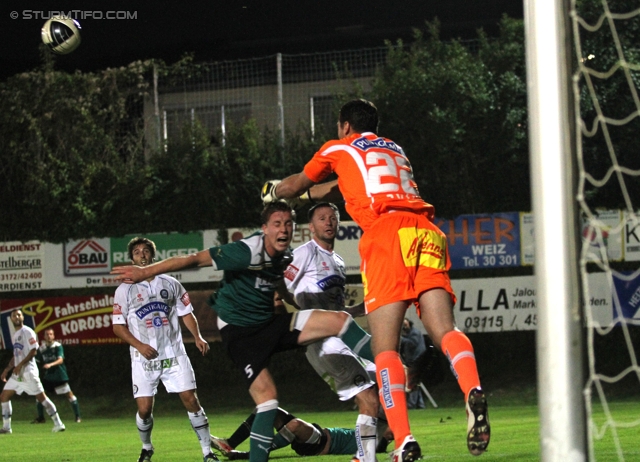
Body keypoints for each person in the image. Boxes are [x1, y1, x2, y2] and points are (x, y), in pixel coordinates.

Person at [261, 99, 490, 460]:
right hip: (426, 230)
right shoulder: (394, 149)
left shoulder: (338, 147)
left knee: (385, 351)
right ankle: (473, 388)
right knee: (445, 330)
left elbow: (296, 185)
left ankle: (403, 441)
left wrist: (274, 191)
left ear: (344, 126)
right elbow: (336, 188)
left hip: (386, 236)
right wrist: (311, 193)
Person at [110, 202, 374, 462]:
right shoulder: (247, 249)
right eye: (277, 224)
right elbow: (194, 259)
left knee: (338, 320)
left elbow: (278, 281)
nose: (284, 229)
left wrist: (288, 299)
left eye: (288, 224)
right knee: (268, 400)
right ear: (265, 228)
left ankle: (386, 361)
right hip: (240, 332)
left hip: (266, 324)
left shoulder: (285, 254)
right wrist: (146, 272)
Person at [279, 202, 379, 461]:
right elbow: (281, 289)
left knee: (376, 388)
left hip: (340, 339)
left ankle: (364, 454)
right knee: (370, 395)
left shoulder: (337, 261)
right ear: (311, 227)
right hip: (322, 343)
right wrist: (290, 307)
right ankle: (365, 456)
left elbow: (338, 310)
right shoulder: (304, 253)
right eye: (322, 218)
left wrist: (360, 308)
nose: (329, 222)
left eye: (332, 218)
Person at [112, 237, 219, 462]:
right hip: (143, 359)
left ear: (153, 256)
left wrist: (197, 336)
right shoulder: (124, 289)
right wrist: (140, 346)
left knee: (191, 400)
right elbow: (118, 326)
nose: (141, 255)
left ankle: (207, 452)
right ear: (132, 258)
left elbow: (186, 312)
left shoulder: (171, 283)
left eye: (145, 251)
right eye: (137, 252)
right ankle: (147, 447)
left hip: (174, 354)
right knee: (144, 410)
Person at [211, 408, 393, 459]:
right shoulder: (374, 430)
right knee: (266, 409)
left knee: (295, 425)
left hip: (319, 444)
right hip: (316, 436)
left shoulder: (377, 443)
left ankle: (248, 455)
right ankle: (230, 443)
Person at [0, 308, 66, 434]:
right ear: (11, 319)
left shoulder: (27, 331)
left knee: (42, 398)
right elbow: (16, 355)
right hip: (17, 374)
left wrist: (20, 365)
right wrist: (6, 369)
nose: (17, 317)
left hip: (28, 372)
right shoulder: (15, 335)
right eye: (14, 316)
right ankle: (7, 427)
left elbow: (33, 351)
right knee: (4, 396)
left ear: (23, 317)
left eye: (19, 315)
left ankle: (58, 423)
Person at [31, 327, 82, 423]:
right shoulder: (42, 348)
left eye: (51, 334)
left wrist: (50, 364)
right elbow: (36, 360)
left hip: (59, 375)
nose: (49, 336)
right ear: (44, 336)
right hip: (48, 376)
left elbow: (60, 360)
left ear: (53, 336)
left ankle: (78, 416)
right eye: (47, 334)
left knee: (69, 395)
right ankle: (41, 418)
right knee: (39, 395)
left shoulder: (57, 346)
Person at [400, 319, 426, 410]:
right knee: (415, 382)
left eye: (405, 324)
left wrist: (401, 339)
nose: (404, 326)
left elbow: (412, 343)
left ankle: (411, 404)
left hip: (417, 360)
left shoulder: (415, 333)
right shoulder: (411, 333)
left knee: (412, 382)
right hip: (415, 360)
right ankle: (420, 405)